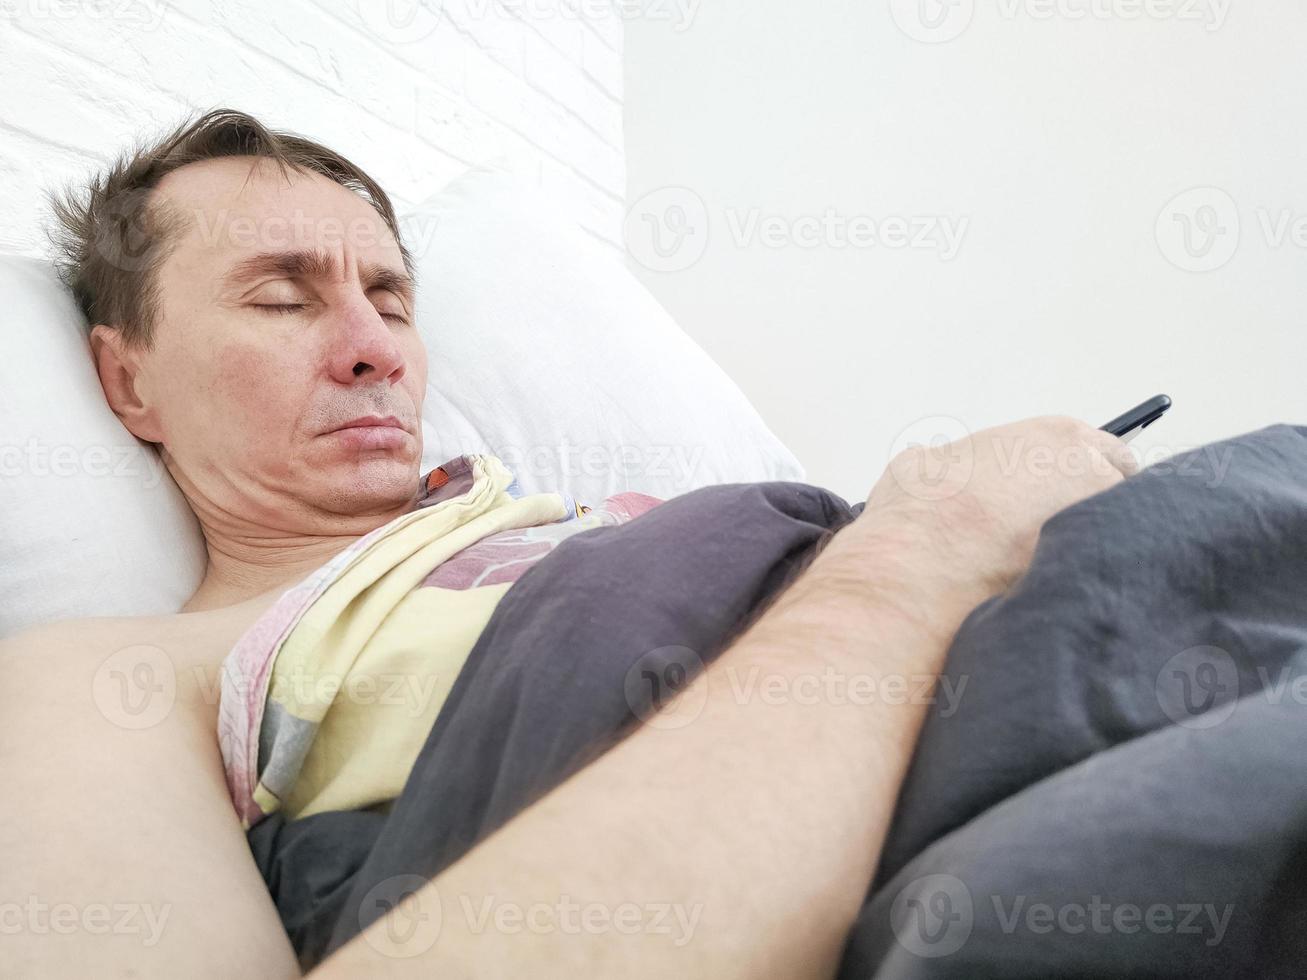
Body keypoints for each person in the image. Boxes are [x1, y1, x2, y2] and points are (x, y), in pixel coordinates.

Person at [0, 108, 1137, 978]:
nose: (370, 348)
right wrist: (926, 543)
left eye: (392, 302)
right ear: (127, 376)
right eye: (281, 300)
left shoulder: (553, 516)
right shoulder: (121, 676)